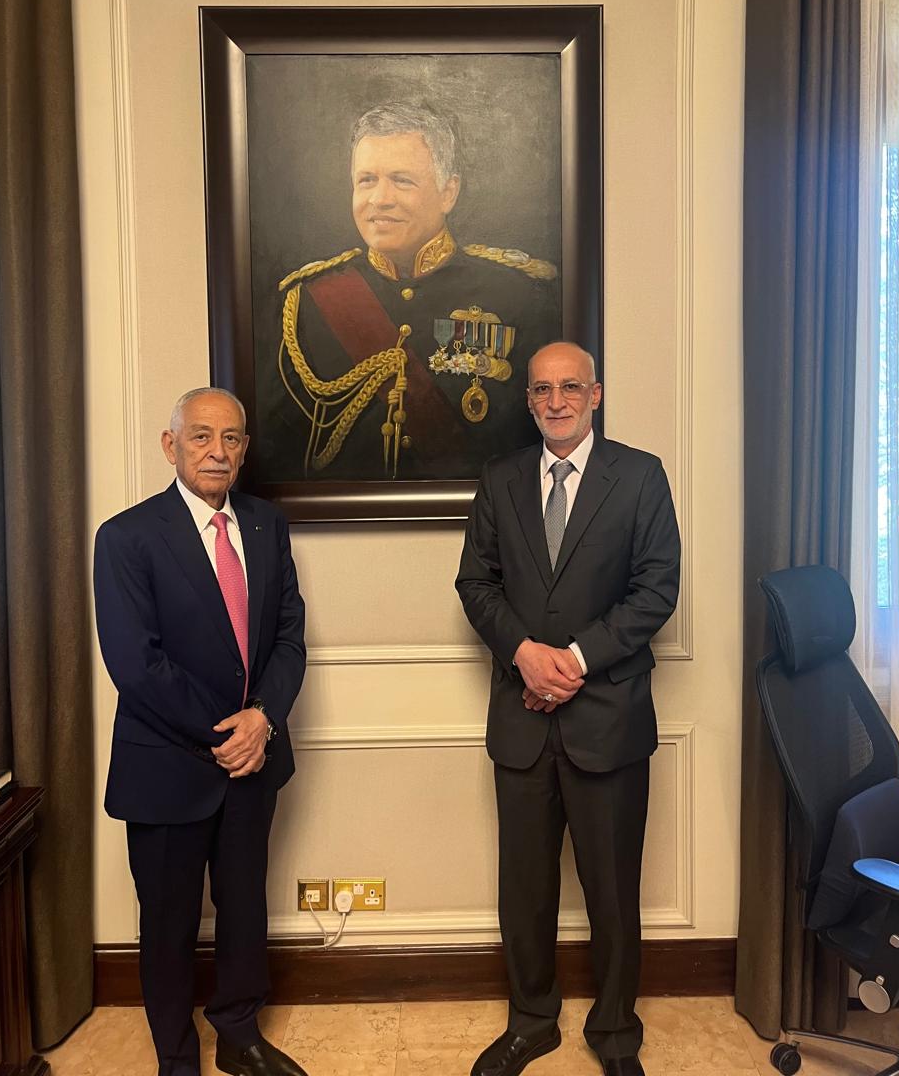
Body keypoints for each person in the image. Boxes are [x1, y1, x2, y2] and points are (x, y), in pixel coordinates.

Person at [455, 342, 680, 1076]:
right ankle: (531, 1022)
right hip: (521, 720)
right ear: (528, 399)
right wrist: (525, 653)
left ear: (596, 394)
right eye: (542, 390)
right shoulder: (500, 478)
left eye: (571, 387)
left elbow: (656, 589)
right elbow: (475, 583)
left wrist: (574, 660)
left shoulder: (640, 476)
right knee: (524, 891)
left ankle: (615, 1033)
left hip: (607, 720)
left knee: (612, 891)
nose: (556, 401)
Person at [94, 388, 308, 1076]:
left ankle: (240, 1037)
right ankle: (176, 1057)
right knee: (168, 924)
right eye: (201, 437)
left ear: (244, 449)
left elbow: (290, 636)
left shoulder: (267, 526)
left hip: (254, 760)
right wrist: (225, 734)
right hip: (167, 767)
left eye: (232, 438)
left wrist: (262, 718)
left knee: (244, 910)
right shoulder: (126, 537)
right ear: (171, 445)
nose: (218, 452)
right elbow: (137, 664)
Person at [276, 101, 560, 481]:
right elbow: (282, 444)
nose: (380, 199)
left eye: (402, 180)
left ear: (448, 193)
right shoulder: (308, 301)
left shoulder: (517, 295)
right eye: (367, 180)